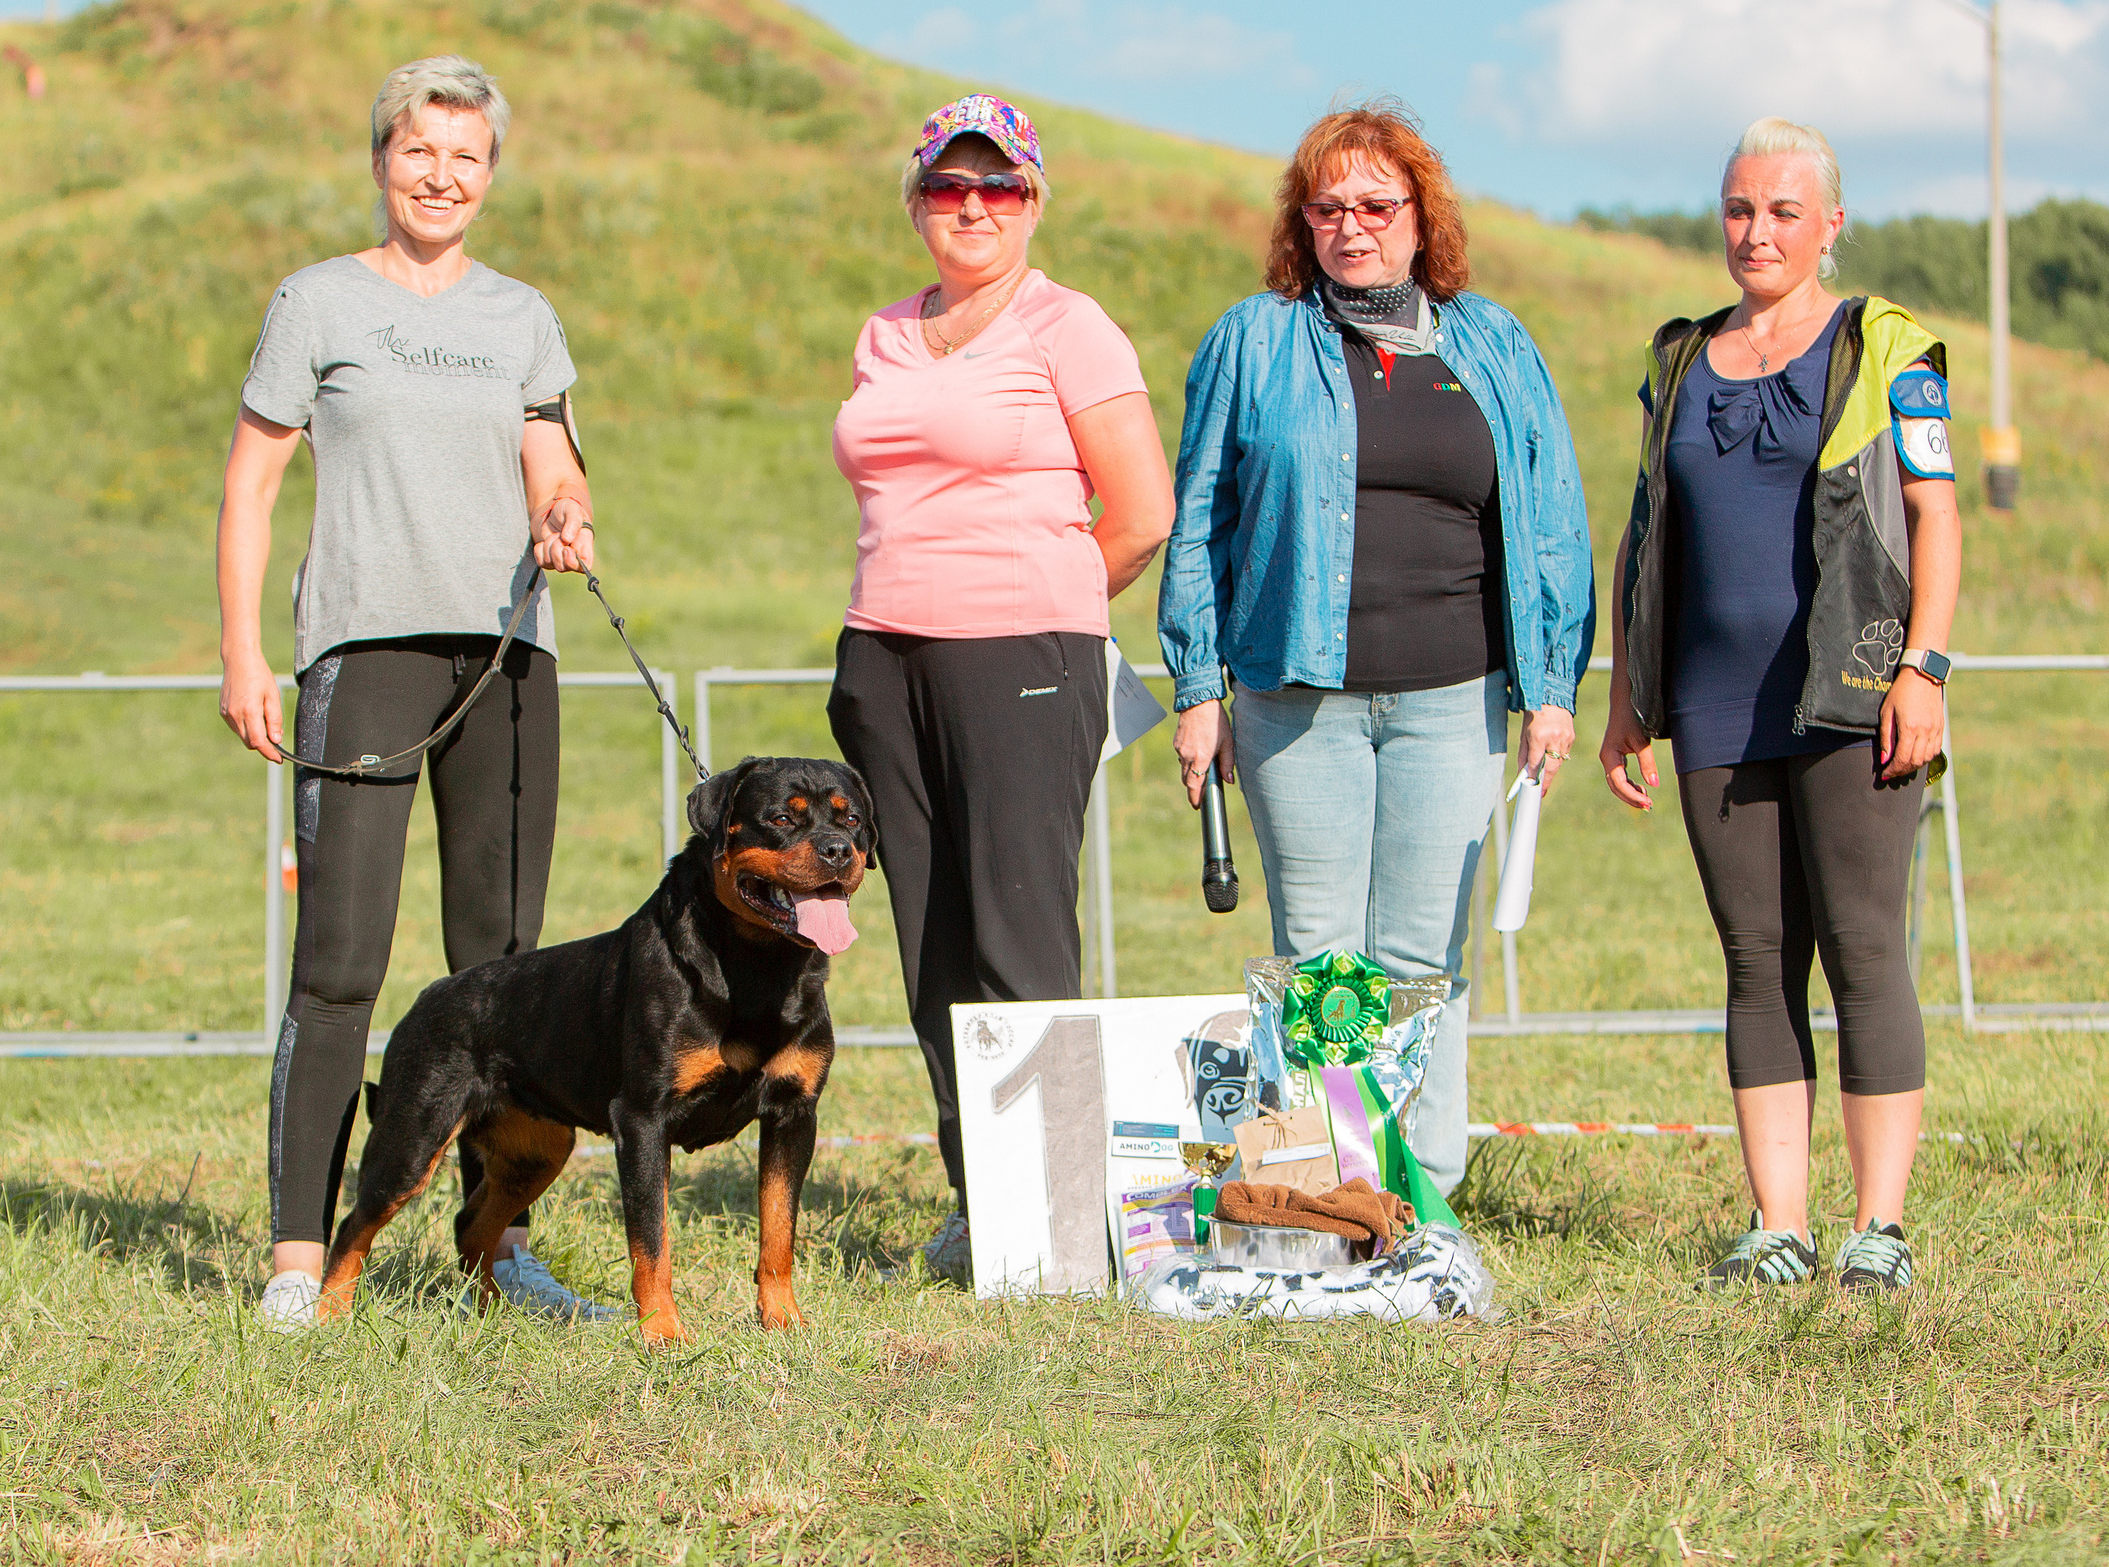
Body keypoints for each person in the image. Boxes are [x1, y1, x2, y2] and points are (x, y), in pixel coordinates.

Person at [217, 55, 606, 1330]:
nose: (441, 174)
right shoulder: (317, 304)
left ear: (490, 173)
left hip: (506, 664)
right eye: (418, 150)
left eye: (466, 156)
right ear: (381, 159)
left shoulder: (521, 315)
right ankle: (294, 1258)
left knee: (502, 977)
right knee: (338, 967)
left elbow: (550, 452)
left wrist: (565, 509)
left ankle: (497, 1251)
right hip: (363, 658)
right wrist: (242, 652)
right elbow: (253, 487)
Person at [1158, 100, 1595, 1201]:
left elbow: (1549, 518)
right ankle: (1324, 1195)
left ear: (1418, 216)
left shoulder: (1491, 341)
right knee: (1319, 960)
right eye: (1328, 207)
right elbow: (1199, 517)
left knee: (1423, 965)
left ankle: (1425, 1196)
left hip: (1454, 700)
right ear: (1301, 224)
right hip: (1294, 700)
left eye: (1375, 205)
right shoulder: (1250, 340)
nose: (1352, 225)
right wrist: (1196, 687)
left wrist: (1550, 687)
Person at [1597, 116, 1961, 1293]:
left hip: (1851, 691)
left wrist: (1924, 668)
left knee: (1862, 949)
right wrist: (1627, 699)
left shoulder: (1890, 348)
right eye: (1740, 209)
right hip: (1711, 703)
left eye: (1784, 212)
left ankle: (1881, 1230)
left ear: (1831, 227)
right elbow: (1647, 535)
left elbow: (1936, 520)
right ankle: (1777, 1226)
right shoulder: (1678, 359)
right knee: (1756, 959)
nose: (1756, 232)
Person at [824, 95, 1173, 1285]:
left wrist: (1045, 613)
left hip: (1025, 653)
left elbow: (1140, 513)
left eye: (1000, 187)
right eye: (948, 186)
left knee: (1018, 932)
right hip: (883, 657)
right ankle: (987, 1201)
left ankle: (1066, 1221)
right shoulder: (881, 331)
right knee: (930, 947)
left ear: (1033, 200)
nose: (972, 207)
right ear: (917, 198)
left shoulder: (1070, 328)